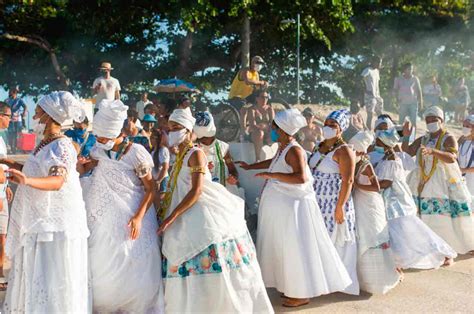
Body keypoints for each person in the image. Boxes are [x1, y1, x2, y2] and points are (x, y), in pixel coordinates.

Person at [157, 108, 272, 313]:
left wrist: (172, 217)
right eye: (170, 128)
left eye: (177, 128)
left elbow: (197, 190)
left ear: (188, 130)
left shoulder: (196, 154)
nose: (172, 131)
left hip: (200, 213)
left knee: (210, 262)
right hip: (182, 212)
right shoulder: (180, 155)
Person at [240, 109, 351, 307]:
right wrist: (252, 167)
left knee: (294, 251)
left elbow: (301, 177)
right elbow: (275, 163)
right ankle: (289, 287)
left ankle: (301, 294)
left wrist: (272, 176)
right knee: (283, 250)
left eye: (274, 127)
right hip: (282, 211)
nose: (271, 130)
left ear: (283, 130)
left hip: (293, 211)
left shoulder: (295, 150)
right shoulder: (284, 148)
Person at [3, 91, 90, 312]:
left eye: (39, 112)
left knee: (51, 276)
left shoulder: (61, 146)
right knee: (35, 274)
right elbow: (38, 171)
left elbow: (57, 180)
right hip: (38, 220)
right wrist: (11, 164)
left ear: (50, 117)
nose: (34, 117)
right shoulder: (44, 144)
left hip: (54, 226)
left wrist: (27, 180)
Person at [82, 99, 164, 313]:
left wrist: (137, 217)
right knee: (102, 263)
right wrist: (81, 166)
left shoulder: (136, 153)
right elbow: (88, 168)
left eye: (103, 137)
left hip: (135, 218)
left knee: (132, 263)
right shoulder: (99, 151)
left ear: (116, 133)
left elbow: (151, 188)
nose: (99, 141)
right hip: (104, 222)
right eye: (97, 137)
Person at [375, 128, 457, 269]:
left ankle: (443, 253)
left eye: (378, 141)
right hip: (391, 202)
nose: (375, 143)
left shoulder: (392, 160)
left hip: (397, 203)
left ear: (385, 144)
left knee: (415, 231)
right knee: (401, 233)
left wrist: (365, 185)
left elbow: (386, 183)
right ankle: (397, 261)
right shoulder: (385, 157)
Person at [403, 106, 474, 254]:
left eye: (433, 120)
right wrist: (405, 136)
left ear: (441, 120)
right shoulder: (423, 138)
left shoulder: (448, 138)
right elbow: (408, 152)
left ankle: (445, 252)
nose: (430, 123)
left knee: (440, 219)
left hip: (440, 183)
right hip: (421, 182)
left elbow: (452, 158)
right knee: (423, 217)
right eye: (427, 120)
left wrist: (433, 151)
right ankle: (428, 249)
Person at [309, 109, 359, 295]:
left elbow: (348, 180)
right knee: (319, 242)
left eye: (333, 125)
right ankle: (323, 282)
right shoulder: (318, 146)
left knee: (336, 242)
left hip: (334, 203)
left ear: (341, 129)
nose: (328, 127)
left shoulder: (344, 150)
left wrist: (340, 207)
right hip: (317, 202)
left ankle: (339, 283)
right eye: (327, 123)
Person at [349, 131, 401, 294]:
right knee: (362, 236)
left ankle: (380, 279)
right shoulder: (357, 163)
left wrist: (358, 186)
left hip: (370, 203)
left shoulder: (366, 165)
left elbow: (376, 187)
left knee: (372, 236)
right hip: (360, 203)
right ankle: (363, 278)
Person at [194, 111, 242, 196]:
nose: (205, 140)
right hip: (203, 192)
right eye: (203, 137)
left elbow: (232, 168)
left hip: (223, 190)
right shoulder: (194, 148)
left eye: (207, 137)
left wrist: (233, 177)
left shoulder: (223, 147)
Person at [228, 56, 269, 139]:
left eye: (261, 64)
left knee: (256, 108)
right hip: (236, 96)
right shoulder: (245, 71)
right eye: (257, 63)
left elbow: (256, 86)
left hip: (246, 97)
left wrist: (263, 86)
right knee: (244, 111)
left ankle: (252, 130)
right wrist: (261, 82)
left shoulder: (256, 74)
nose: (259, 65)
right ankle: (243, 134)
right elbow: (247, 81)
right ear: (252, 63)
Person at [0, 102, 12, 291]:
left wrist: (7, 185)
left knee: (2, 235)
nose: (11, 119)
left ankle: (1, 273)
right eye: (9, 115)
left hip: (3, 189)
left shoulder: (1, 139)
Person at [392, 63, 423, 138]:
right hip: (402, 103)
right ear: (404, 69)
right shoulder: (399, 79)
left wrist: (421, 102)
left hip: (413, 103)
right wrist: (395, 100)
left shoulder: (415, 79)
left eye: (411, 69)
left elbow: (419, 91)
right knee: (401, 122)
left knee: (413, 122)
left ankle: (412, 138)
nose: (410, 71)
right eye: (408, 69)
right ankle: (399, 137)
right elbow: (395, 90)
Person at [248, 90, 275, 162]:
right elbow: (252, 125)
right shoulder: (252, 109)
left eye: (266, 97)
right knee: (259, 133)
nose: (265, 99)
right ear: (257, 98)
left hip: (267, 131)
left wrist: (267, 128)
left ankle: (279, 157)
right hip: (255, 133)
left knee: (277, 133)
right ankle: (258, 158)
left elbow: (273, 124)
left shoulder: (269, 109)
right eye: (262, 97)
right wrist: (263, 128)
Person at [150, 129, 170, 216]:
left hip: (162, 181)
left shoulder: (163, 150)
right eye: (150, 137)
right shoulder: (153, 151)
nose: (151, 139)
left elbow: (165, 167)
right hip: (155, 181)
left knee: (160, 205)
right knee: (155, 205)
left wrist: (158, 181)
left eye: (153, 137)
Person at [361, 56, 384, 129]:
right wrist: (365, 90)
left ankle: (380, 130)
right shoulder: (367, 70)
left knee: (380, 114)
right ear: (375, 62)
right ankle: (368, 132)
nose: (380, 64)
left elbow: (377, 84)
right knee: (370, 115)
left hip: (377, 95)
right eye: (379, 62)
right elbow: (360, 79)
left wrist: (378, 95)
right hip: (370, 96)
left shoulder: (377, 71)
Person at [5, 86, 27, 154]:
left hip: (18, 119)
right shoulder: (7, 100)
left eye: (15, 92)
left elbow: (25, 106)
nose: (14, 93)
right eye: (13, 92)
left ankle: (16, 148)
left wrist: (24, 112)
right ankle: (11, 147)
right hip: (10, 119)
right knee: (11, 134)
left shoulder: (19, 100)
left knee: (17, 134)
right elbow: (3, 107)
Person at [458, 115, 474, 196]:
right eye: (463, 126)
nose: (465, 128)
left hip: (471, 182)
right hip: (460, 179)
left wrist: (464, 170)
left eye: (468, 126)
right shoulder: (461, 140)